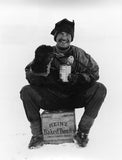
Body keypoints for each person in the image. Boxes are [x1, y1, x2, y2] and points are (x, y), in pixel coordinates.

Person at [20, 18, 107, 149]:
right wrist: (39, 70)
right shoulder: (46, 53)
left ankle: (82, 133)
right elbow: (29, 75)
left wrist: (78, 78)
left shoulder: (79, 54)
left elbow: (95, 72)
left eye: (67, 34)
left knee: (100, 89)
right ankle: (37, 136)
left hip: (74, 97)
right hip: (51, 98)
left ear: (71, 38)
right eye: (61, 33)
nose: (64, 37)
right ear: (55, 37)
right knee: (26, 91)